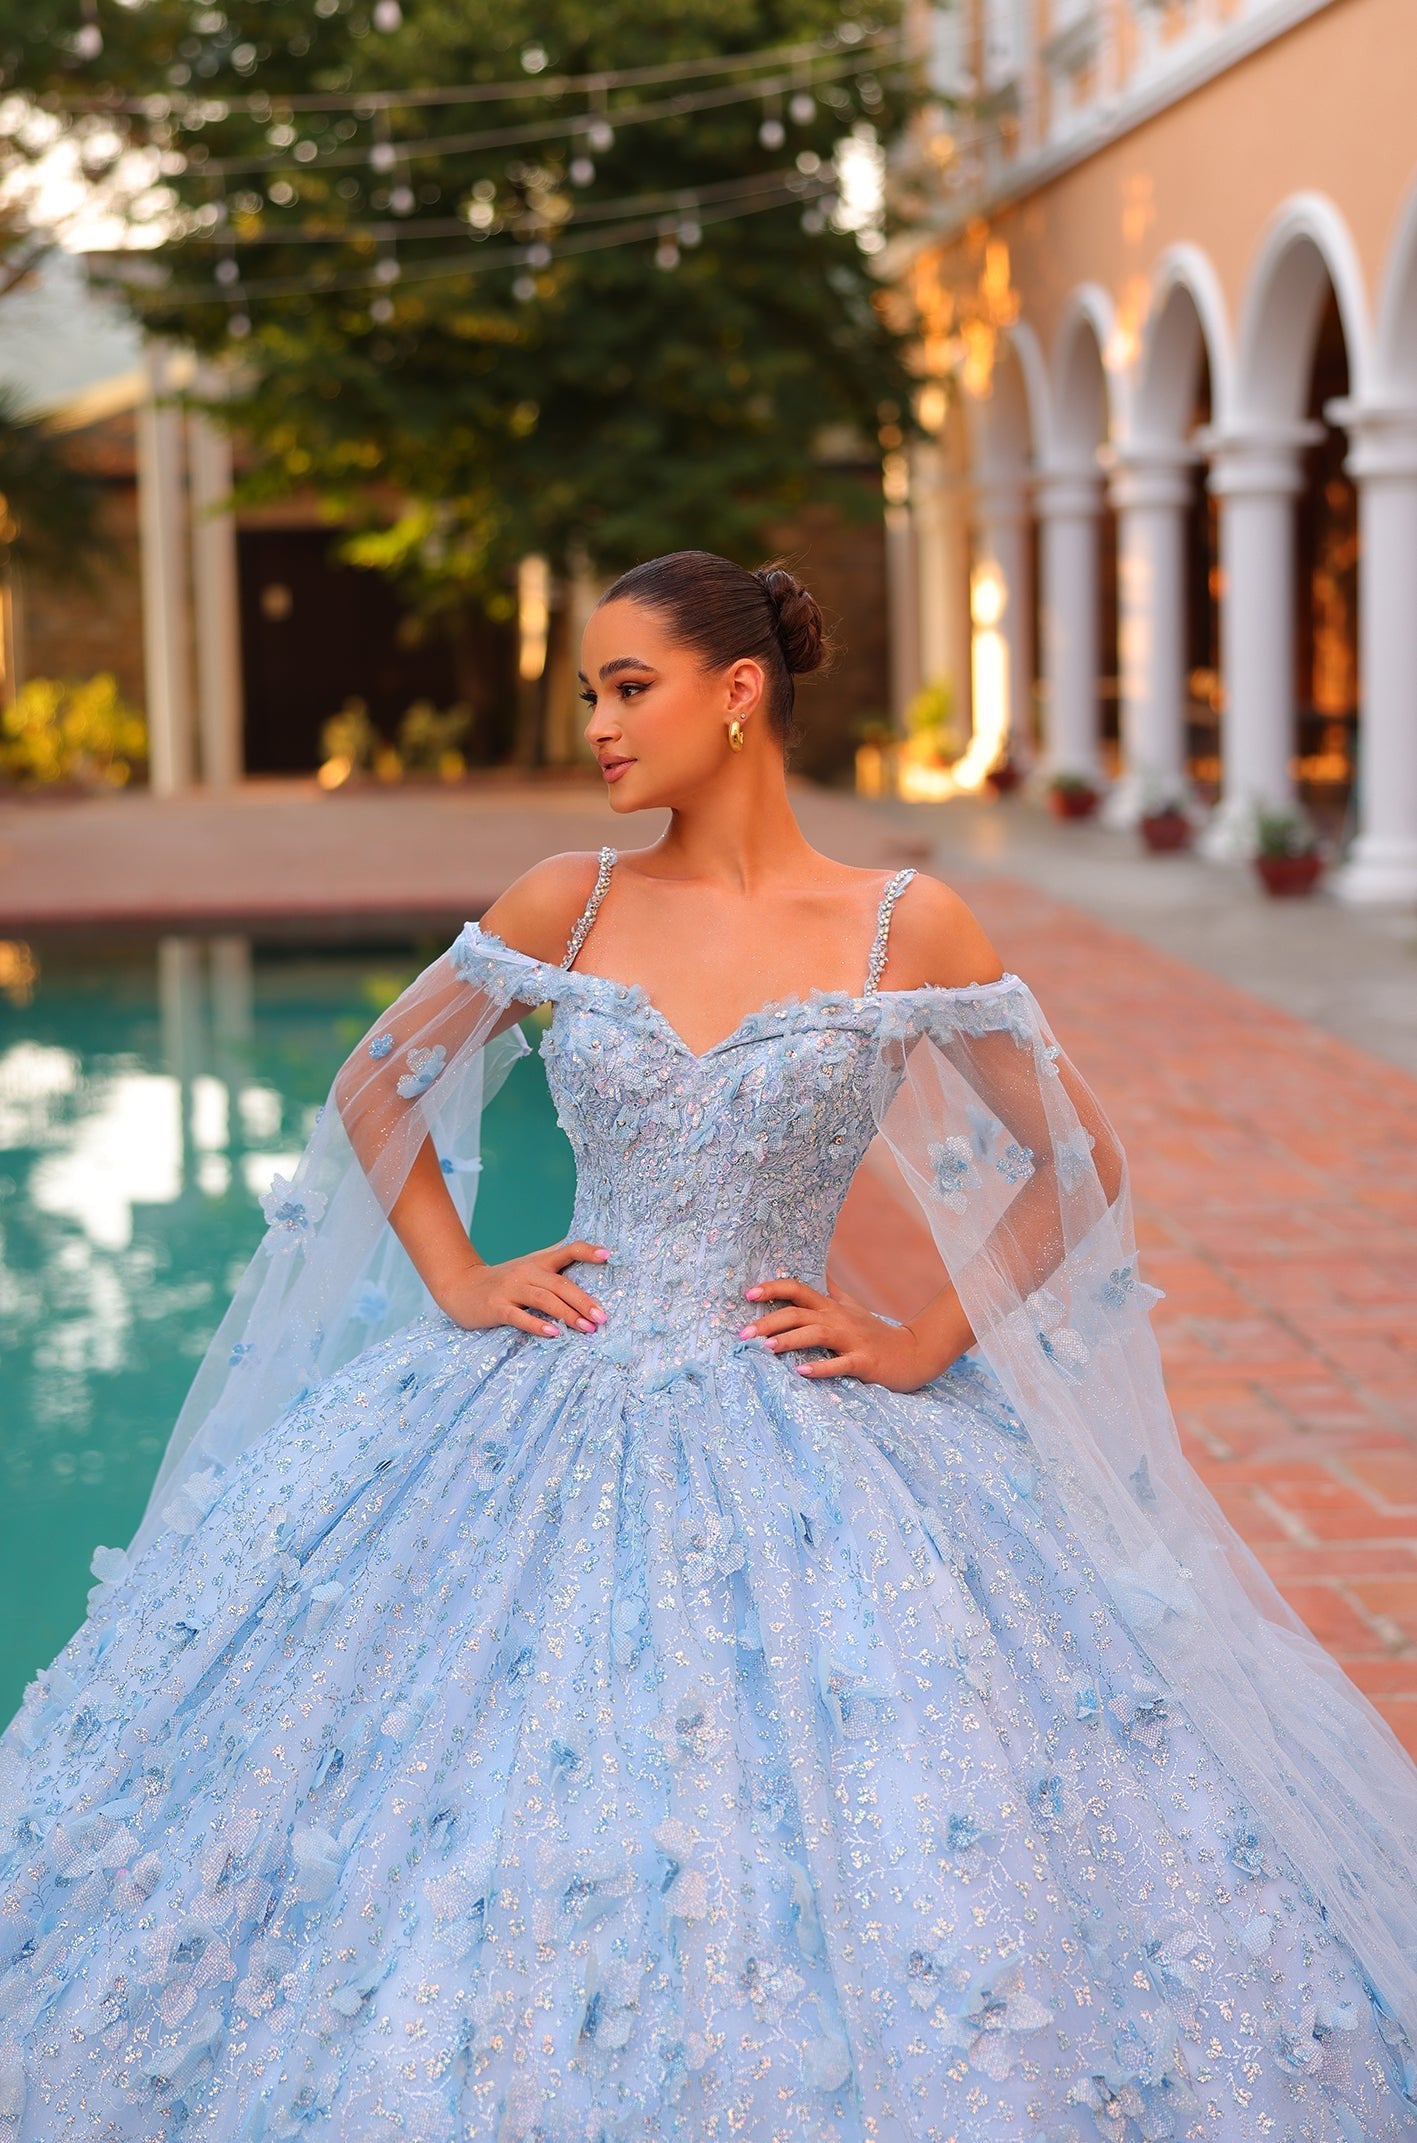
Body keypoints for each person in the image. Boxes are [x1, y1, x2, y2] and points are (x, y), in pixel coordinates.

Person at [1, 550, 1415, 2143]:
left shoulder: (902, 924)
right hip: (544, 1401)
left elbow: (1074, 1166)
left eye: (627, 688)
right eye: (589, 694)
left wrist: (919, 1332)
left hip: (806, 1414)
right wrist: (462, 1280)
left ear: (738, 694)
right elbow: (375, 1088)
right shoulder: (570, 900)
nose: (598, 726)